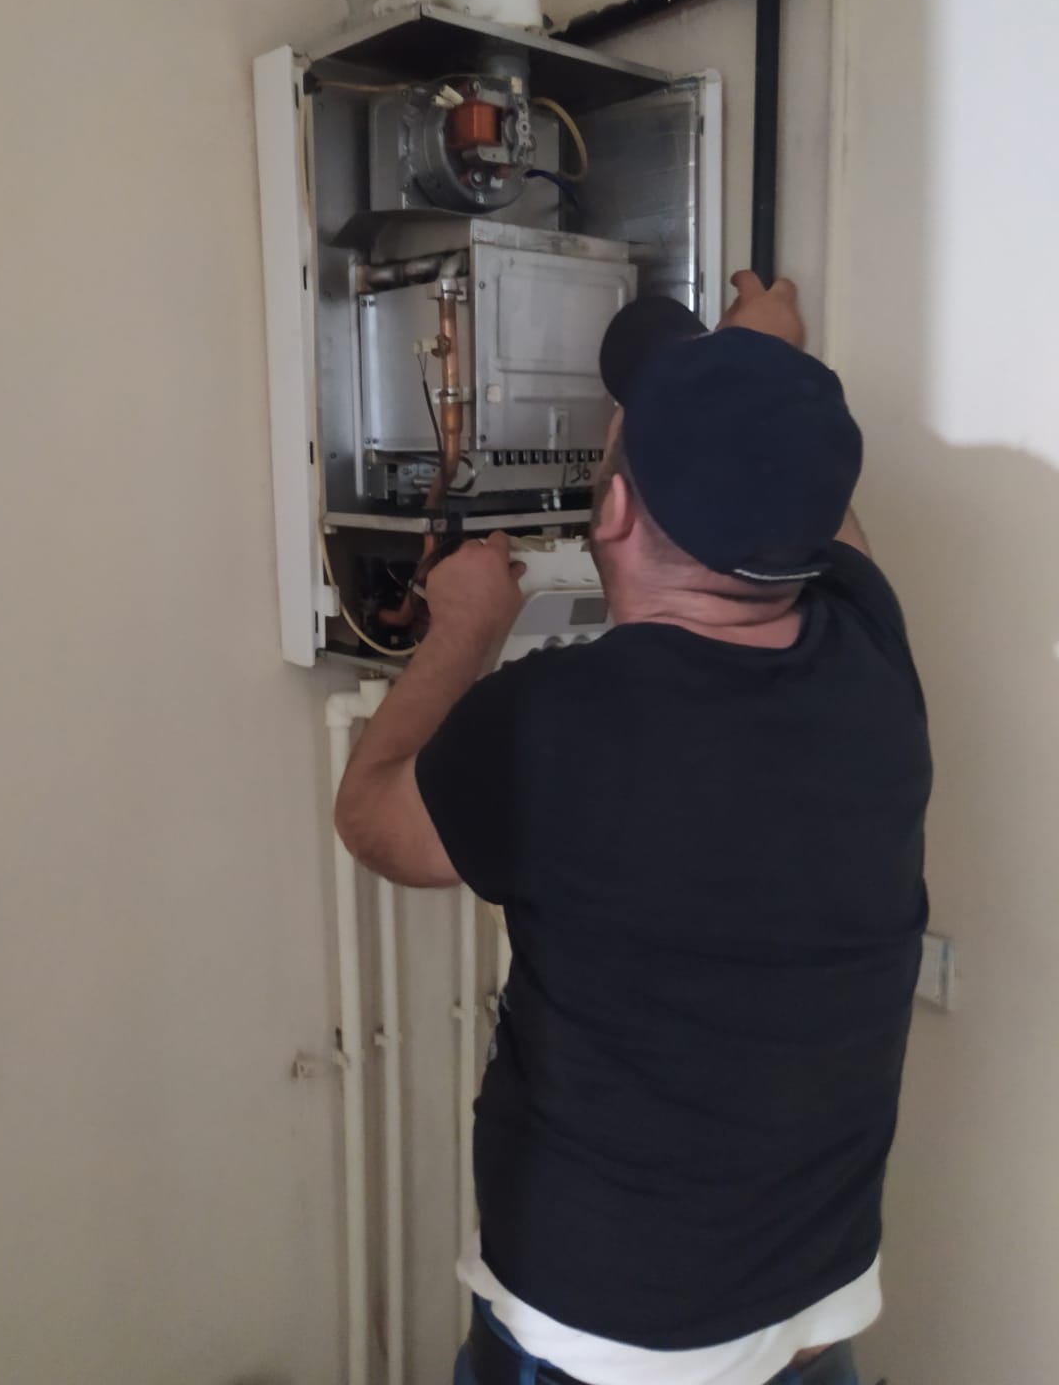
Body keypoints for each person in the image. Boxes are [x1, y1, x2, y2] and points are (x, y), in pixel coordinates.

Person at [335, 272, 931, 1385]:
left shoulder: (553, 724)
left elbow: (372, 819)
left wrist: (465, 628)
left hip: (601, 1341)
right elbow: (809, 492)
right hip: (814, 1308)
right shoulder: (870, 655)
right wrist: (761, 358)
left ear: (610, 513)